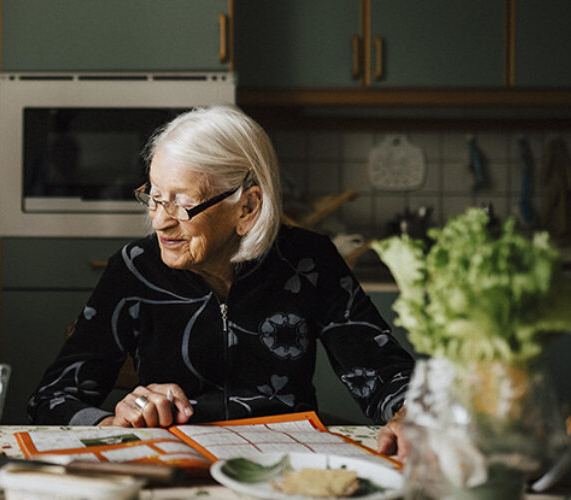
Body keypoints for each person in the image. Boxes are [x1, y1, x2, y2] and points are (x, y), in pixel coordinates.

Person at [27, 105, 412, 459]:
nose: (160, 220)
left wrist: (411, 412)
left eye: (182, 202)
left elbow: (383, 375)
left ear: (247, 207)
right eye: (155, 196)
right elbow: (53, 398)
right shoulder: (134, 269)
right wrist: (112, 422)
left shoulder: (308, 262)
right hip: (177, 470)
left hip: (282, 468)